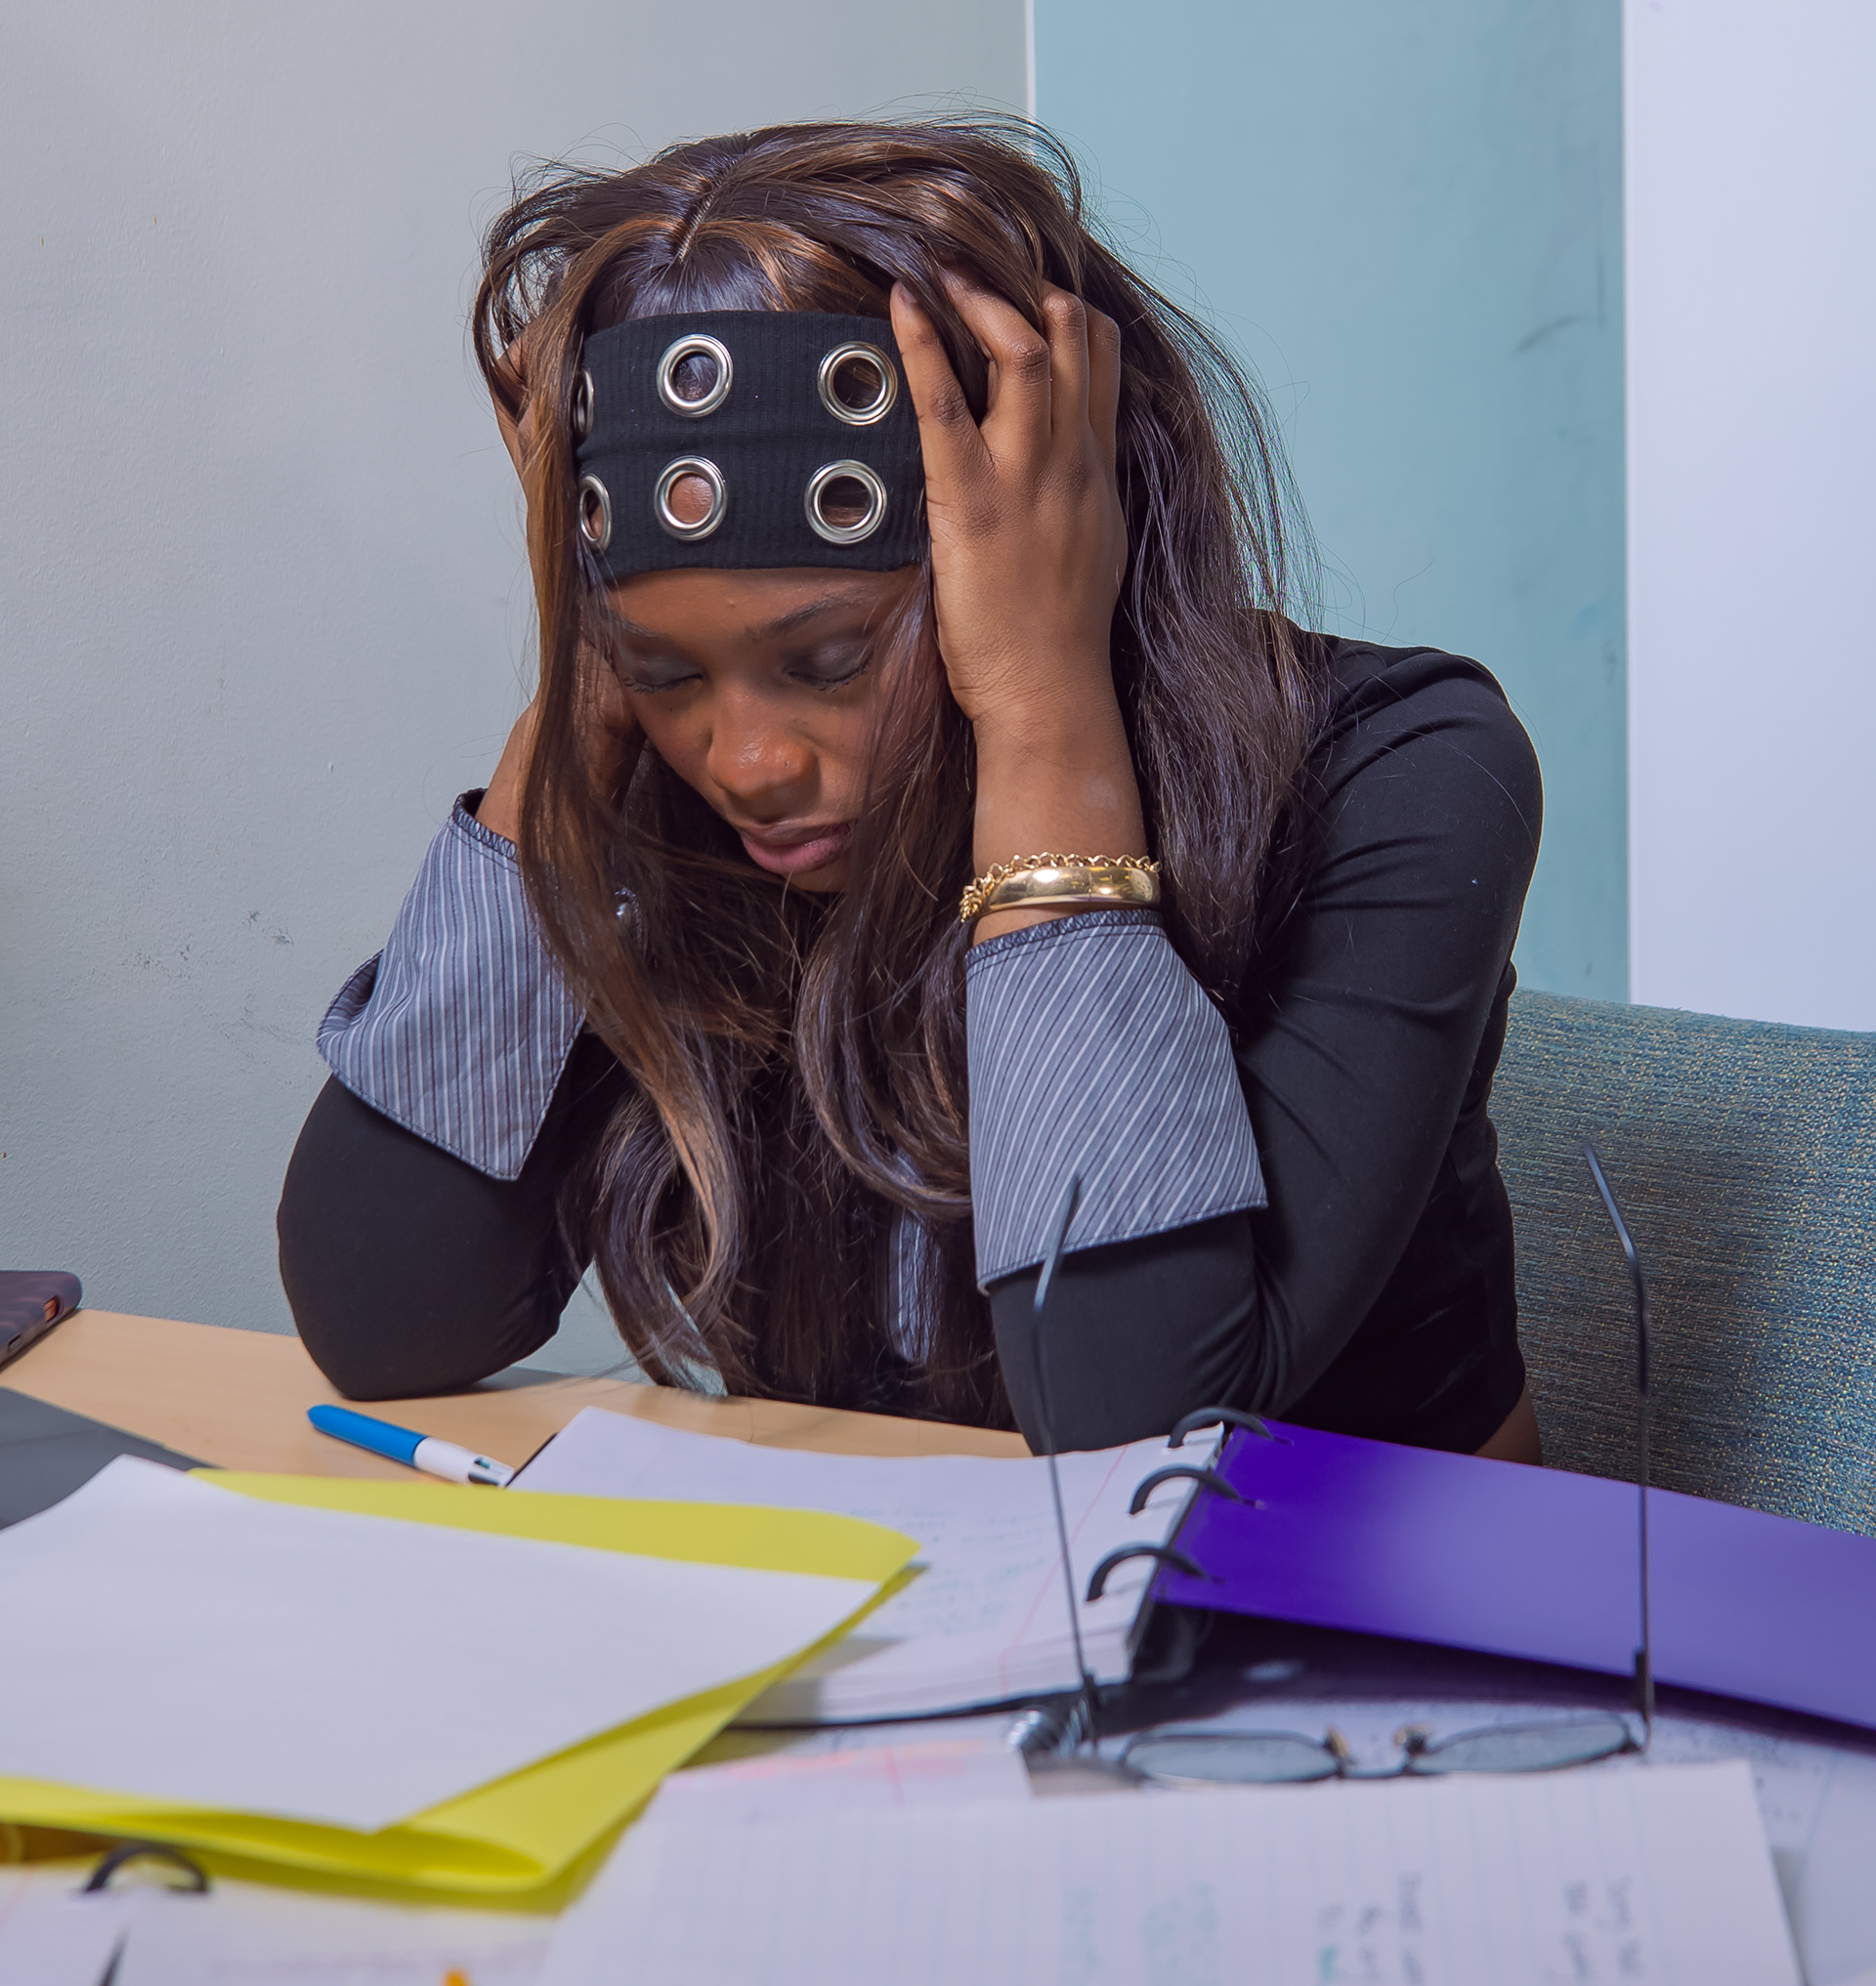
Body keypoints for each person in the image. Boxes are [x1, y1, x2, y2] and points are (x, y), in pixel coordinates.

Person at [277, 118, 1543, 1460]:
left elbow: (1134, 1423)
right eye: (666, 669)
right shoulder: (682, 809)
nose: (749, 764)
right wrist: (581, 695)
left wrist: (1044, 708)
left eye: (828, 662)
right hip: (880, 1576)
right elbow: (387, 1320)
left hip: (1337, 1580)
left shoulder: (1403, 773)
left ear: (1063, 534)